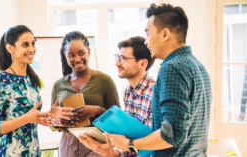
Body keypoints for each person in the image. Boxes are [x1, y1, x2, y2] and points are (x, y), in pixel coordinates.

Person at [82, 3, 212, 157]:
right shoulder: (197, 66)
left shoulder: (172, 68)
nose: (146, 42)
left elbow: (173, 134)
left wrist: (128, 144)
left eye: (148, 34)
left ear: (165, 34)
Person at [0, 25, 74, 157]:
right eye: (25, 45)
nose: (31, 49)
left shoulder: (31, 79)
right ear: (10, 48)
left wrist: (50, 114)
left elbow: (31, 116)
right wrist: (26, 119)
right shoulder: (1, 82)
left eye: (33, 44)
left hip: (33, 152)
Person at [79, 36, 155, 157]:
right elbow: (130, 141)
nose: (117, 63)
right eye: (117, 57)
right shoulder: (128, 92)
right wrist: (113, 153)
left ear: (142, 63)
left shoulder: (156, 94)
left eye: (123, 58)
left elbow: (152, 147)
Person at [51, 31, 120, 157]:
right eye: (71, 55)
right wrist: (58, 120)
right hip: (68, 144)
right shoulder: (58, 85)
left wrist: (97, 110)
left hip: (97, 144)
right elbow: (53, 121)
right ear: (65, 56)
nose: (77, 59)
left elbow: (117, 118)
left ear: (89, 52)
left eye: (81, 53)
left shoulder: (105, 80)